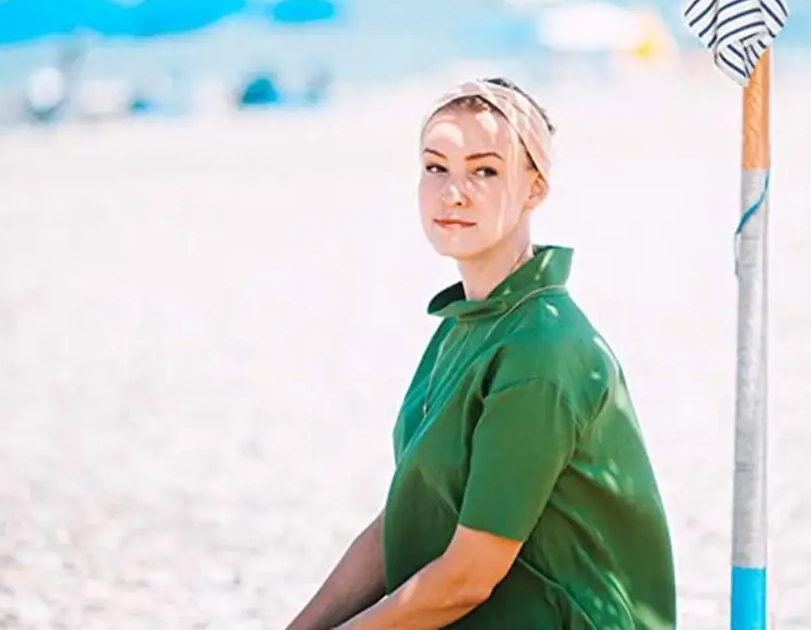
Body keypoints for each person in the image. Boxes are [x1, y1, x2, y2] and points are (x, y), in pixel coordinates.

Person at [285, 77, 676, 629]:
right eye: (435, 166)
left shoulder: (543, 350)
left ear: (534, 188)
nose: (453, 191)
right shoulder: (467, 325)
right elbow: (406, 513)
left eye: (485, 171)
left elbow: (467, 578)